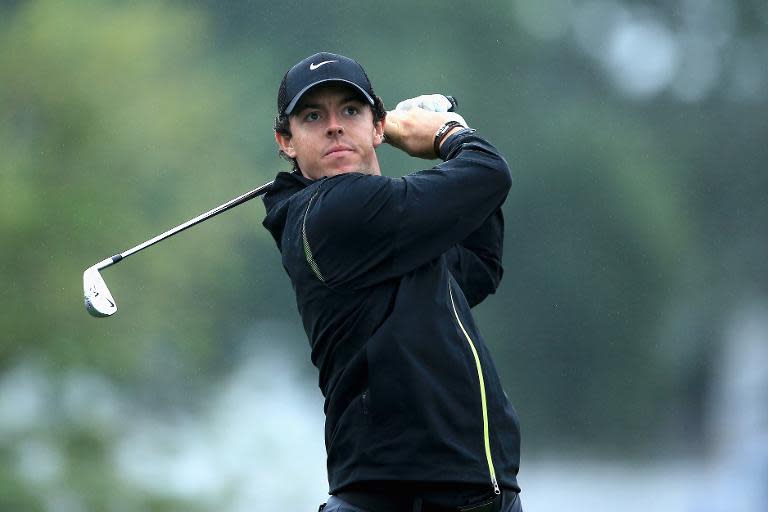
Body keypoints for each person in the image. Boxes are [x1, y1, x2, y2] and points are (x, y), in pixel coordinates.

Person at [262, 52, 522, 512]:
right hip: (399, 498)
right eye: (313, 116)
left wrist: (452, 130)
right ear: (287, 140)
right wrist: (447, 134)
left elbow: (477, 267)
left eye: (351, 110)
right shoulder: (331, 211)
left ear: (375, 126)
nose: (334, 126)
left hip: (460, 494)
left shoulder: (384, 234)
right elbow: (489, 174)